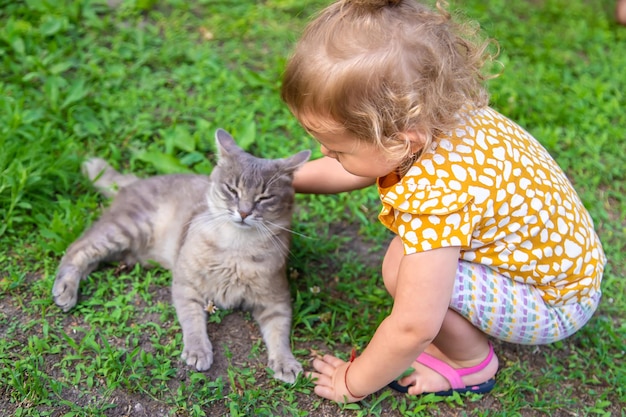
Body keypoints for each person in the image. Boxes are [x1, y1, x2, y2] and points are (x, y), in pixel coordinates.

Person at [281, 0, 607, 404]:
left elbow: (413, 327)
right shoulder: (439, 119)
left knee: (402, 270)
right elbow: (362, 166)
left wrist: (352, 382)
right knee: (410, 258)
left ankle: (471, 363)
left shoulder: (437, 196)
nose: (326, 154)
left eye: (338, 150)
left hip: (553, 302)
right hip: (566, 266)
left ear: (401, 138)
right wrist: (282, 179)